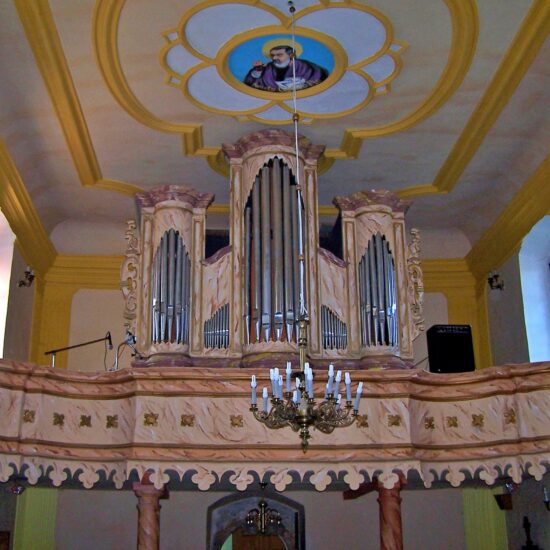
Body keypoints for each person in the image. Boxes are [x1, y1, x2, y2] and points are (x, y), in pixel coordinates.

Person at [244, 45, 328, 92]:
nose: (274, 58)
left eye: (279, 55)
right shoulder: (268, 67)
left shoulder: (303, 65)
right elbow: (251, 82)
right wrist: (257, 71)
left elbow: (318, 76)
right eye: (272, 55)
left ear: (291, 55)